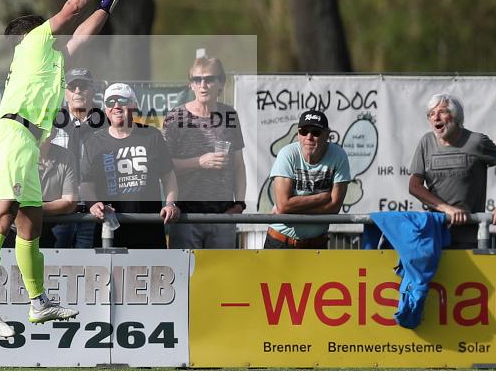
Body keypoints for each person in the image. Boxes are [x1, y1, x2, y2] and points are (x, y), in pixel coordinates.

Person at [0, 0, 124, 338]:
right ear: (32, 34)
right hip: (10, 135)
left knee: (29, 227)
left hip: (26, 141)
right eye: (44, 28)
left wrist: (107, 2)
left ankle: (38, 303)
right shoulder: (31, 45)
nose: (51, 30)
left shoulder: (49, 62)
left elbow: (82, 35)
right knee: (2, 218)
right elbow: (72, 9)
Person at [80, 83, 180, 249]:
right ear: (106, 110)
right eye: (111, 102)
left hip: (149, 229)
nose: (116, 106)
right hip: (110, 231)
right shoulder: (94, 142)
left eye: (122, 101)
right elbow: (86, 184)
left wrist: (170, 204)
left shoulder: (152, 135)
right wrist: (93, 203)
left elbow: (168, 177)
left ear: (134, 106)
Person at [408, 93, 496, 249]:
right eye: (431, 114)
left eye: (442, 112)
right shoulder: (426, 142)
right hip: (434, 237)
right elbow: (414, 186)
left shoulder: (477, 141)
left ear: (456, 116)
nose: (436, 117)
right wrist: (446, 209)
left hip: (469, 239)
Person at [162, 57, 246, 249]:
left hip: (223, 216)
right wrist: (199, 162)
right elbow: (165, 168)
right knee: (187, 277)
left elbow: (239, 165)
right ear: (190, 85)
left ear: (221, 84)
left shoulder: (229, 115)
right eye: (196, 80)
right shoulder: (175, 117)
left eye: (209, 79)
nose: (203, 85)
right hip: (185, 215)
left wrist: (240, 204)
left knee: (222, 277)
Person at [265, 110, 351, 249]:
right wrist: (322, 198)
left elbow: (334, 207)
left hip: (317, 243)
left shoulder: (339, 155)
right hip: (280, 241)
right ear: (298, 134)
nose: (309, 137)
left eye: (316, 132)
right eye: (304, 131)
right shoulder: (287, 154)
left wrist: (289, 211)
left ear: (327, 135)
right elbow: (283, 205)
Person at [50, 68, 103, 248]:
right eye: (73, 87)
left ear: (93, 90)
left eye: (83, 86)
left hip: (94, 209)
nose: (78, 91)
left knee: (91, 266)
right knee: (54, 263)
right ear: (65, 92)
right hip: (59, 208)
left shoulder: (106, 124)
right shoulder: (51, 123)